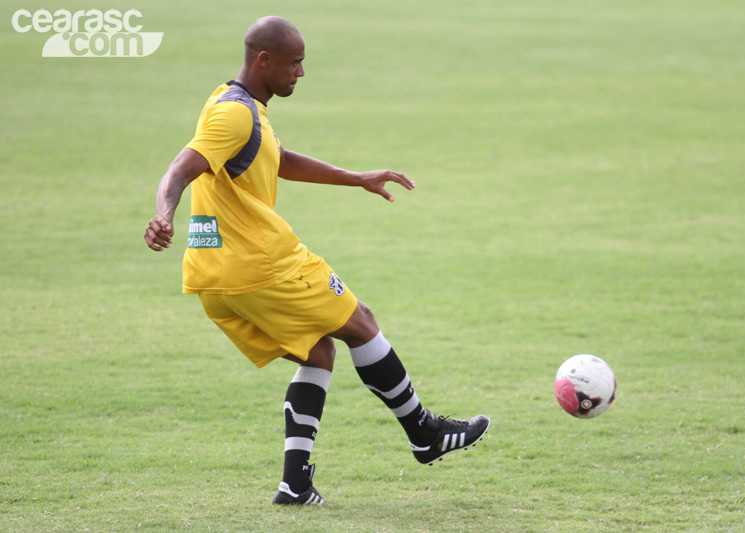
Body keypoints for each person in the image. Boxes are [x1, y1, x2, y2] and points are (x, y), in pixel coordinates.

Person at [144, 16, 489, 505]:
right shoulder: (235, 115)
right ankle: (424, 433)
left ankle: (295, 485)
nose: (301, 73)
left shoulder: (234, 104)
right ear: (264, 60)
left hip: (214, 275)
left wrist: (356, 177)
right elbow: (180, 167)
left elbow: (277, 158)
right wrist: (163, 213)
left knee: (318, 352)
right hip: (262, 264)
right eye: (294, 63)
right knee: (362, 323)